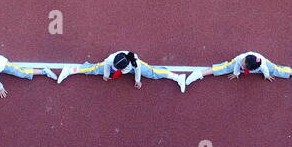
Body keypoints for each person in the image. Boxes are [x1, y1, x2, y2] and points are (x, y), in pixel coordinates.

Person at [55, 51, 195, 92]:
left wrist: (137, 81)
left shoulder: (136, 63)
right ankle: (70, 71)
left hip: (134, 68)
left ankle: (178, 78)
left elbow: (138, 72)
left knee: (153, 72)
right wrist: (105, 75)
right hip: (116, 66)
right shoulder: (110, 59)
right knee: (93, 69)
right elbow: (107, 67)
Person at [209, 52, 292, 84]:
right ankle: (200, 74)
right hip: (249, 63)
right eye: (243, 61)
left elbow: (265, 70)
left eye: (243, 64)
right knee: (226, 68)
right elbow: (237, 65)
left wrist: (266, 76)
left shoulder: (263, 65)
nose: (241, 62)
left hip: (261, 64)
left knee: (277, 69)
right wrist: (236, 73)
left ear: (249, 69)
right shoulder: (240, 59)